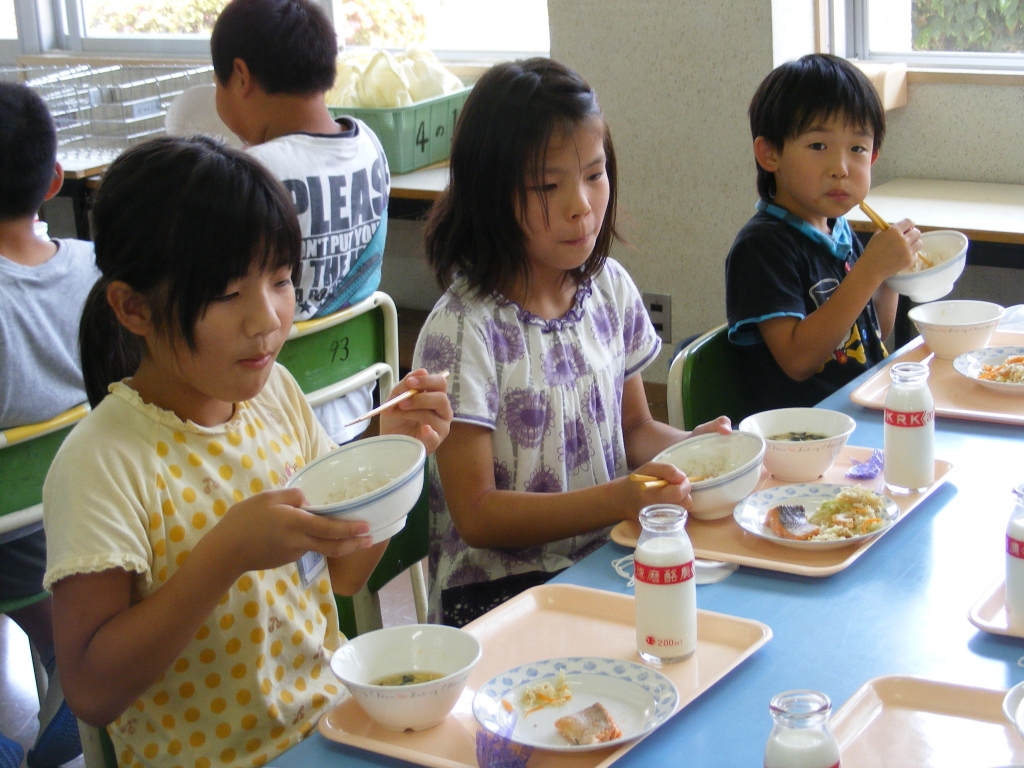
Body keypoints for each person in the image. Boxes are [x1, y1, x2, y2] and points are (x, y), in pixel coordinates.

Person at [42, 136, 451, 768]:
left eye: (281, 280)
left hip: (327, 733)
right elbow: (92, 691)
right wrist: (226, 555)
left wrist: (394, 452)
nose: (266, 319)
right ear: (133, 307)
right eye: (227, 294)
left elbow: (342, 575)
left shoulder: (276, 396)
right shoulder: (103, 461)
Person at [413, 58, 730, 628]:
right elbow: (477, 515)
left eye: (594, 174)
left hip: (604, 562)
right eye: (547, 185)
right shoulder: (462, 330)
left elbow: (636, 429)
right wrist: (620, 498)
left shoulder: (607, 287)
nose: (581, 203)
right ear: (490, 193)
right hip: (501, 600)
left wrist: (694, 454)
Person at [211, 0, 390, 445]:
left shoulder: (251, 174)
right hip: (354, 398)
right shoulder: (369, 146)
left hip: (266, 416)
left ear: (241, 77)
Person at [725, 53, 922, 411]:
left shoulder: (837, 230)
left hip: (859, 409)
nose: (841, 168)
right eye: (818, 146)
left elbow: (874, 332)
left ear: (873, 157)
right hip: (804, 431)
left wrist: (892, 277)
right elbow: (798, 359)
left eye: (857, 148)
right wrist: (871, 270)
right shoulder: (762, 247)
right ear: (770, 154)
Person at [0, 81, 91, 768]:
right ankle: (68, 669)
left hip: (14, 549)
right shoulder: (99, 269)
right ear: (55, 180)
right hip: (89, 520)